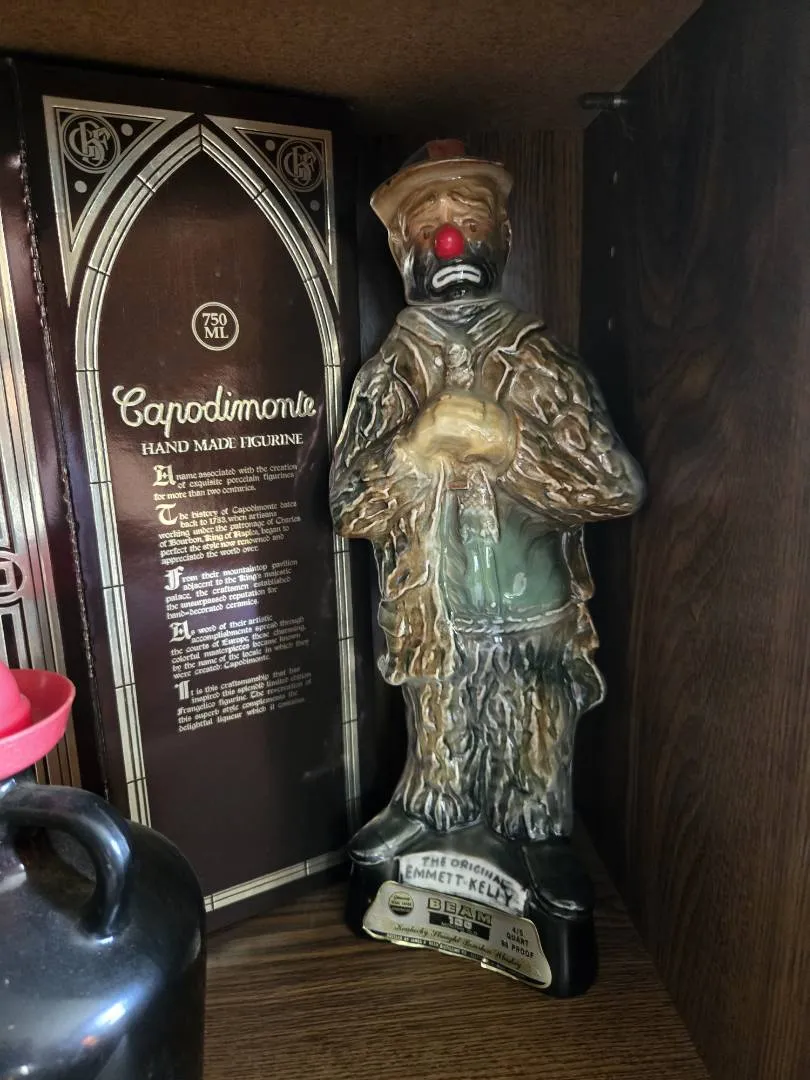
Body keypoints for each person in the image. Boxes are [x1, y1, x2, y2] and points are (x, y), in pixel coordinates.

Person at [330, 140, 644, 870]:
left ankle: (540, 834)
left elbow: (615, 488)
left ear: (502, 236)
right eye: (428, 228)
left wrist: (509, 445)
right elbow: (349, 507)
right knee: (440, 735)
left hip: (535, 610)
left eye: (469, 221)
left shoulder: (542, 362)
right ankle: (428, 808)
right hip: (435, 612)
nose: (451, 241)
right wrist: (413, 450)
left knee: (535, 728)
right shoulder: (389, 376)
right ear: (401, 249)